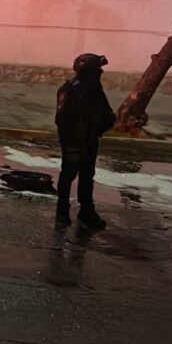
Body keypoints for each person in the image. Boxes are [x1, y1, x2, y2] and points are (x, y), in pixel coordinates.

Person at [55, 53, 115, 229]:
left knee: (87, 176)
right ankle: (62, 212)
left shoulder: (92, 88)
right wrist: (71, 142)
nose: (100, 73)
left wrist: (104, 123)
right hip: (74, 141)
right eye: (97, 70)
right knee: (69, 175)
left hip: (88, 139)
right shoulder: (72, 90)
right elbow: (62, 119)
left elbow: (104, 112)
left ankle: (86, 211)